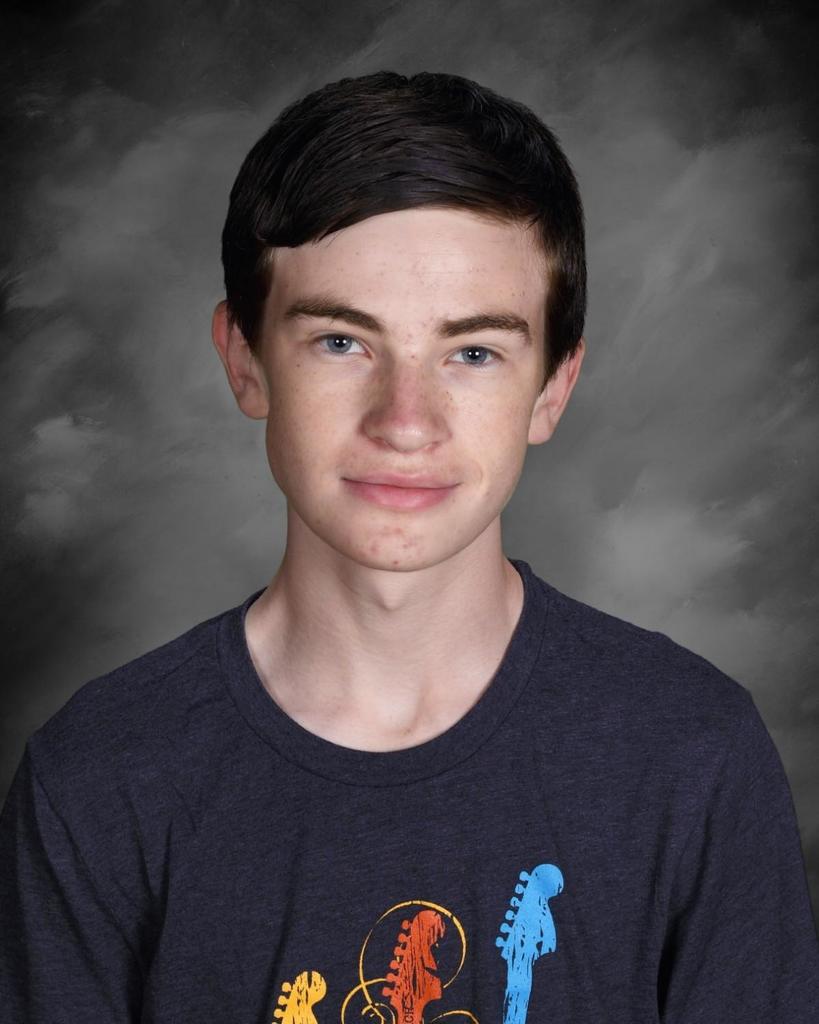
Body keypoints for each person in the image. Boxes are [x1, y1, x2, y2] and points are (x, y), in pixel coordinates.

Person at [1, 70, 817, 1024]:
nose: (405, 421)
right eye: (341, 342)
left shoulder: (694, 755)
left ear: (552, 389)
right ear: (244, 361)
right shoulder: (96, 777)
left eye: (472, 353)